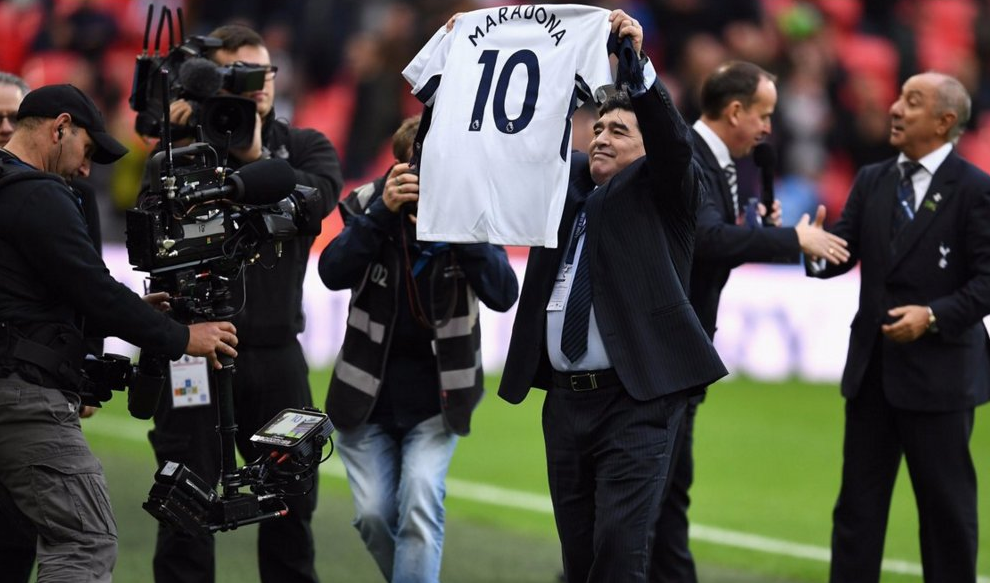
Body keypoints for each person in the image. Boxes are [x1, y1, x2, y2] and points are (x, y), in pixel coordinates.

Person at [498, 11, 727, 583]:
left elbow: (673, 143)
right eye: (597, 128)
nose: (601, 137)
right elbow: (514, 142)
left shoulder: (667, 191)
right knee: (580, 562)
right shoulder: (567, 188)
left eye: (619, 131)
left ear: (647, 147)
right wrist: (465, 67)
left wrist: (636, 66)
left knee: (620, 556)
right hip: (565, 405)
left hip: (635, 403)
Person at [0, 83, 238, 583]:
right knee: (85, 541)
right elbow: (94, 290)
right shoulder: (40, 193)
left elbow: (44, 291)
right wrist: (183, 339)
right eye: (86, 151)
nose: (87, 170)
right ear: (60, 127)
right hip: (23, 397)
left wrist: (130, 313)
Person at [147, 24, 343, 583]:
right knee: (185, 497)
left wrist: (253, 154)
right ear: (212, 80)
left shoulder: (304, 146)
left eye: (263, 73)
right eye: (239, 75)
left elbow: (317, 202)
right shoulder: (177, 153)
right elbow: (152, 241)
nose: (255, 86)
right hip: (193, 354)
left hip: (277, 350)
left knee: (293, 498)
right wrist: (185, 148)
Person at [652, 61, 850, 582]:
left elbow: (711, 245)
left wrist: (765, 236)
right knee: (659, 491)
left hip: (684, 352)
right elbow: (707, 239)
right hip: (667, 351)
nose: (768, 128)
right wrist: (790, 240)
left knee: (668, 490)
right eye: (763, 115)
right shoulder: (690, 157)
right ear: (735, 110)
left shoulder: (723, 163)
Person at [318, 115, 519, 583]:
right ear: (399, 169)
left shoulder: (472, 210)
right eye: (419, 170)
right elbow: (332, 272)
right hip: (364, 397)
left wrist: (460, 230)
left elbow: (504, 293)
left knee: (421, 504)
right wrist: (381, 216)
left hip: (439, 400)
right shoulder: (367, 205)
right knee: (372, 516)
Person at [807, 72, 990, 582]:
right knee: (857, 513)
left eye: (912, 102)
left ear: (945, 121)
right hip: (872, 376)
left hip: (940, 379)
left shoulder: (975, 190)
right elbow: (840, 252)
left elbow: (987, 279)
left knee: (946, 515)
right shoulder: (873, 178)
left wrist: (932, 316)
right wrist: (811, 249)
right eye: (899, 97)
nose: (894, 108)